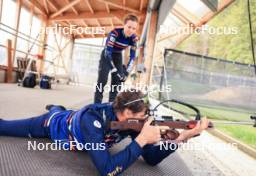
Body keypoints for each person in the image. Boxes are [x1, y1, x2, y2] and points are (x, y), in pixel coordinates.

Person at [0, 90, 209, 176]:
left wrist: (181, 138)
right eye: (144, 115)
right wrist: (143, 139)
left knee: (62, 110)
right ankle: (55, 109)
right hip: (52, 126)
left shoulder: (130, 122)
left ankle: (58, 106)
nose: (146, 120)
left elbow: (152, 159)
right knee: (6, 126)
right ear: (127, 112)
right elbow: (106, 169)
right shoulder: (93, 120)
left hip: (76, 121)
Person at [94, 14, 139, 103]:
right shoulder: (114, 33)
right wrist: (113, 69)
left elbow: (132, 57)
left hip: (118, 55)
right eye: (129, 27)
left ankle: (112, 103)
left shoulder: (134, 39)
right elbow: (108, 52)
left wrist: (126, 72)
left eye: (134, 28)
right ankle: (97, 104)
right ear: (124, 25)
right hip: (107, 55)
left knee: (117, 80)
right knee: (102, 80)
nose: (131, 30)